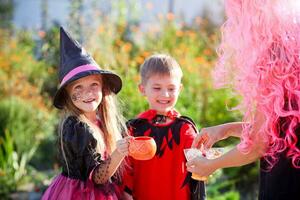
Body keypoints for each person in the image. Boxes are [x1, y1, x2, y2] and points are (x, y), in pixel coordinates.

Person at [186, 0, 300, 199]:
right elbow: (280, 131)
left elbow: (258, 143)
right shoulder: (294, 47)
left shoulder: (274, 56)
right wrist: (227, 129)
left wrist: (211, 165)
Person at [42, 27, 130, 200]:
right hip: (78, 194)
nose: (88, 93)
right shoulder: (76, 127)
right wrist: (119, 153)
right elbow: (98, 178)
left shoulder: (100, 122)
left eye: (94, 85)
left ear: (103, 88)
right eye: (78, 87)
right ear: (68, 95)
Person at [122, 54, 205, 200]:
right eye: (157, 87)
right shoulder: (134, 130)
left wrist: (206, 157)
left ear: (179, 89)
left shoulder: (185, 129)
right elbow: (125, 172)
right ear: (142, 89)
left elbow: (199, 165)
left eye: (171, 88)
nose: (165, 94)